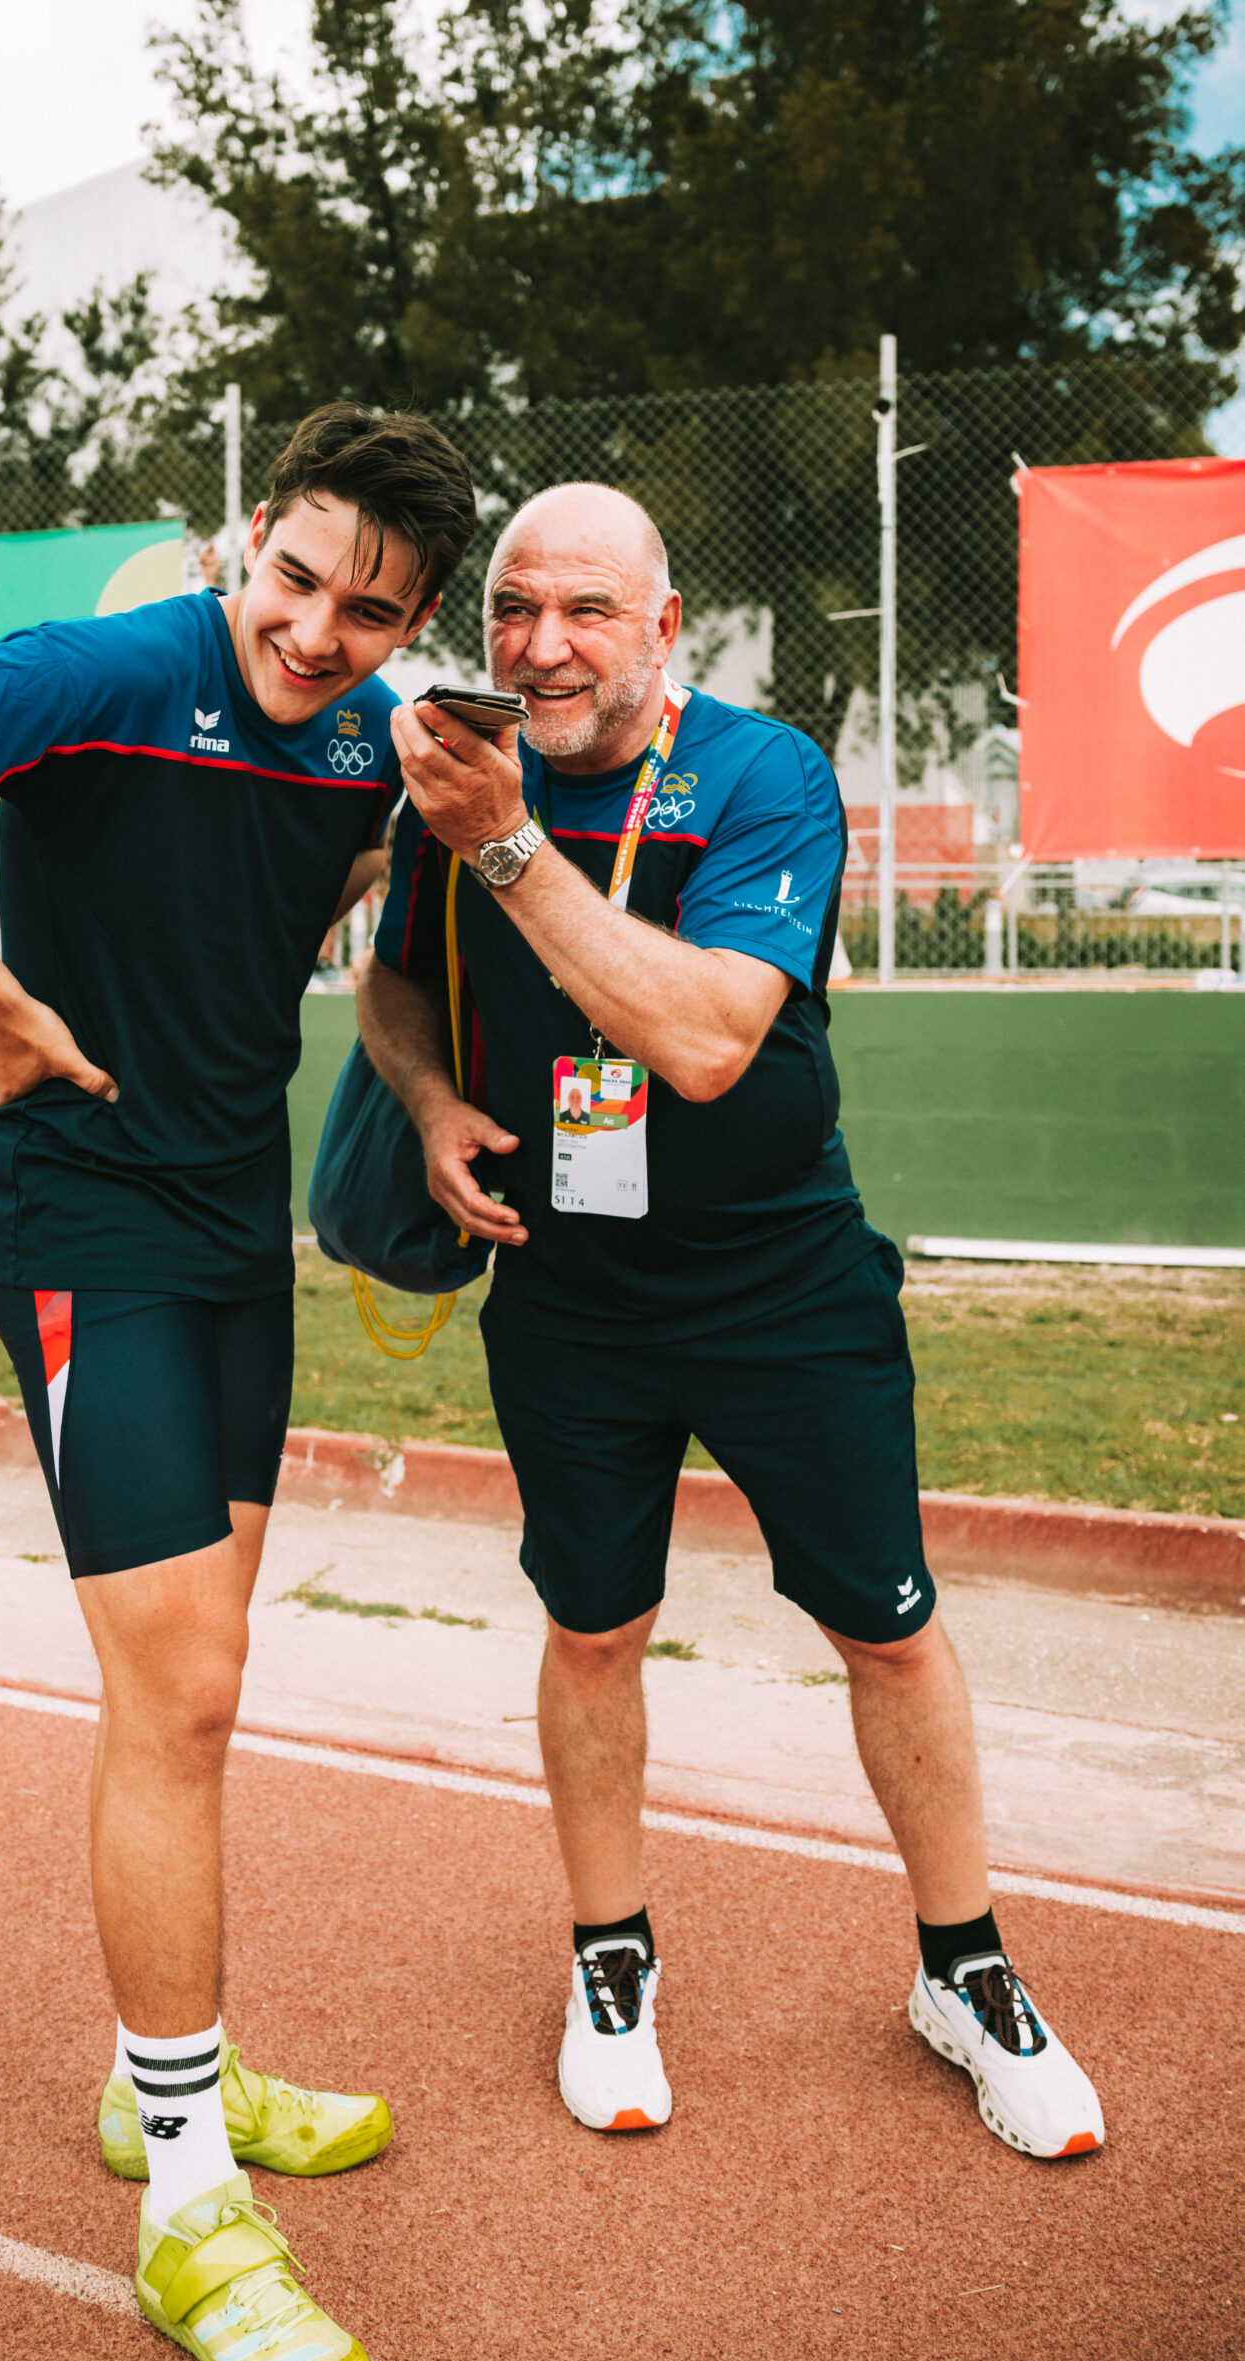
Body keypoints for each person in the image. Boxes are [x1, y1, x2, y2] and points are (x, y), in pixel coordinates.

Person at [0, 404, 477, 2361]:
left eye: (368, 611)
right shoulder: (100, 668)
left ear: (411, 616)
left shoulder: (371, 742)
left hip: (236, 1235)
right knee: (185, 1686)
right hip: (81, 1224)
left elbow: (370, 905)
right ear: (251, 533)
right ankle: (192, 2204)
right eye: (294, 577)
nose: (313, 631)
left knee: (196, 1692)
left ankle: (170, 2075)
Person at [358, 481, 1105, 2165]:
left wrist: (509, 848)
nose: (541, 646)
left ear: (662, 625)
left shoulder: (760, 775)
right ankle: (609, 1957)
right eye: (512, 610)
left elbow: (703, 1043)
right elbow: (391, 977)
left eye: (585, 610)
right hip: (567, 1295)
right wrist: (422, 1100)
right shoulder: (450, 782)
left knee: (886, 1628)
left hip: (780, 1283)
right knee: (591, 1629)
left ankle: (962, 1969)